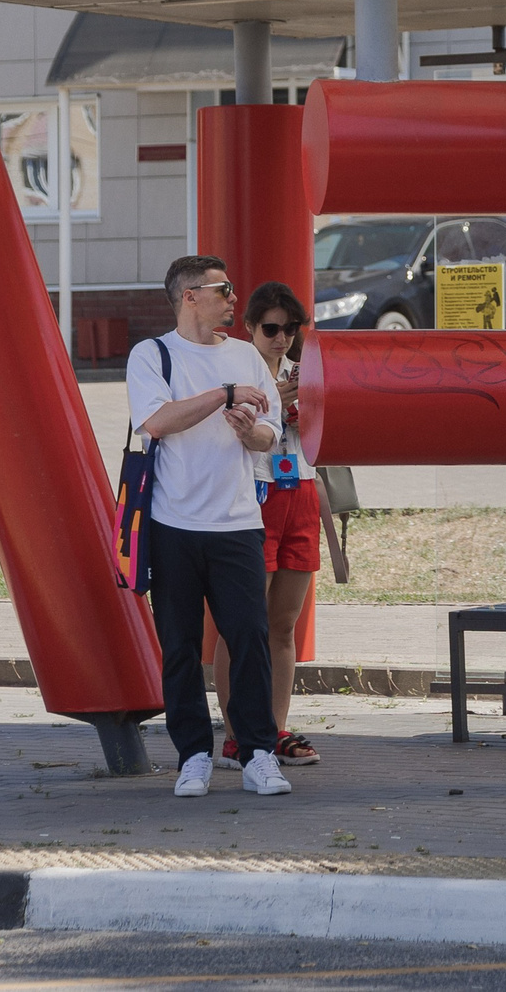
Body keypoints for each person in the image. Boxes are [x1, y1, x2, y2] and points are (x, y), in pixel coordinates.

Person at [130, 254, 293, 800]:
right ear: (190, 296)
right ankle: (193, 756)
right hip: (172, 524)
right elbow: (156, 422)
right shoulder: (152, 355)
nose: (233, 298)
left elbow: (271, 434)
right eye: (223, 289)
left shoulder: (245, 355)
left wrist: (249, 432)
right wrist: (224, 395)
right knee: (179, 646)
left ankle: (258, 753)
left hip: (238, 523)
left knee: (249, 638)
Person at [213, 281, 321, 770]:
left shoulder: (307, 372)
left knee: (283, 624)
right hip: (253, 494)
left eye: (291, 328)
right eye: (272, 329)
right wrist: (273, 402)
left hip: (301, 490)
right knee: (242, 624)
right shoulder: (235, 373)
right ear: (251, 328)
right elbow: (216, 432)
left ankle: (274, 729)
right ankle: (236, 734)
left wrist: (311, 408)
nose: (282, 339)